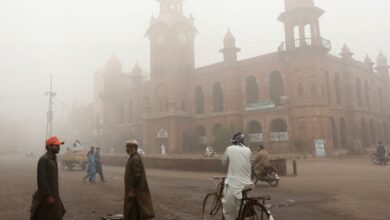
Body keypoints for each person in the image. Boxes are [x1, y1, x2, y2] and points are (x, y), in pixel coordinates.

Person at [30, 136, 66, 220]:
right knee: (45, 215)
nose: (58, 147)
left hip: (54, 194)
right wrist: (48, 195)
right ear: (49, 146)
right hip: (46, 196)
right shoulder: (44, 159)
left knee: (56, 214)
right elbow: (41, 179)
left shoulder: (53, 158)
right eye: (56, 145)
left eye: (58, 145)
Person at [221, 132, 253, 220]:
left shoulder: (229, 149)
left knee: (228, 209)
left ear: (233, 141)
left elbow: (223, 161)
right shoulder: (248, 150)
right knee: (242, 205)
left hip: (233, 183)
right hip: (247, 183)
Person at [124, 140, 155, 220]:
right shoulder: (133, 157)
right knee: (135, 208)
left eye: (130, 146)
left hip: (136, 190)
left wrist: (133, 190)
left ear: (135, 148)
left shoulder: (135, 159)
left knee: (136, 207)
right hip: (134, 189)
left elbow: (137, 175)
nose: (128, 148)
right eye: (127, 146)